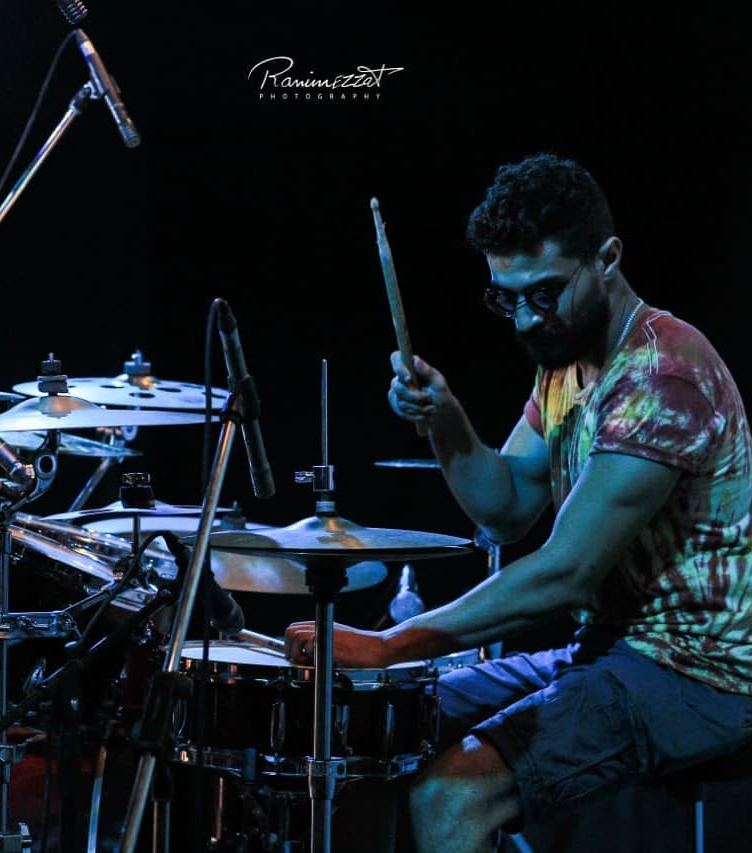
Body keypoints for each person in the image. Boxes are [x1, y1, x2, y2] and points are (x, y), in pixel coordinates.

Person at [284, 151, 752, 852]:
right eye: (508, 299)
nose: (527, 320)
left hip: (700, 672)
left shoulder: (661, 376)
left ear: (607, 259)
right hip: (609, 649)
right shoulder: (567, 363)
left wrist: (392, 643)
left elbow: (566, 572)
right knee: (379, 726)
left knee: (452, 795)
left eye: (545, 292)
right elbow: (504, 507)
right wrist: (444, 418)